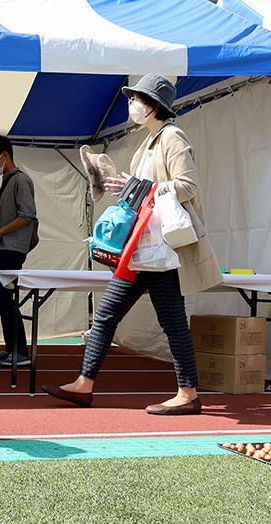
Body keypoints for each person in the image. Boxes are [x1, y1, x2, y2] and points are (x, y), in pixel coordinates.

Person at [41, 74, 223, 415]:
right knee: (107, 315)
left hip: (161, 250)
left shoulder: (171, 136)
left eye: (136, 98)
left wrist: (137, 186)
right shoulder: (150, 140)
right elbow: (145, 190)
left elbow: (187, 186)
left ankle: (188, 394)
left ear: (153, 105)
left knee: (169, 321)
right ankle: (84, 384)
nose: (132, 105)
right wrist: (127, 188)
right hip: (143, 247)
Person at [0, 135, 38, 368]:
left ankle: (20, 351)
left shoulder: (20, 180)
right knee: (3, 299)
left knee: (7, 299)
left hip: (12, 249)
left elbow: (27, 215)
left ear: (5, 155)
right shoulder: (8, 180)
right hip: (5, 246)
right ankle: (11, 348)